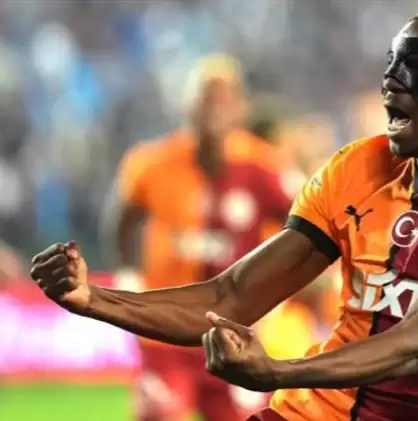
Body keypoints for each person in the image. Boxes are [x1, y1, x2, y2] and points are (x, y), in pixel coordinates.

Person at [30, 8, 418, 421]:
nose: (392, 82)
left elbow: (416, 343)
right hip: (332, 407)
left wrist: (276, 371)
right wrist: (92, 298)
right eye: (392, 65)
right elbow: (231, 298)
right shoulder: (356, 169)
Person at [105, 53, 303, 421]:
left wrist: (277, 292)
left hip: (233, 329)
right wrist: (128, 272)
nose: (214, 110)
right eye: (205, 99)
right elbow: (123, 220)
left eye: (223, 100)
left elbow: (308, 225)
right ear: (188, 105)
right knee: (160, 415)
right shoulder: (153, 161)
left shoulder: (264, 165)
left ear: (240, 107)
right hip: (166, 326)